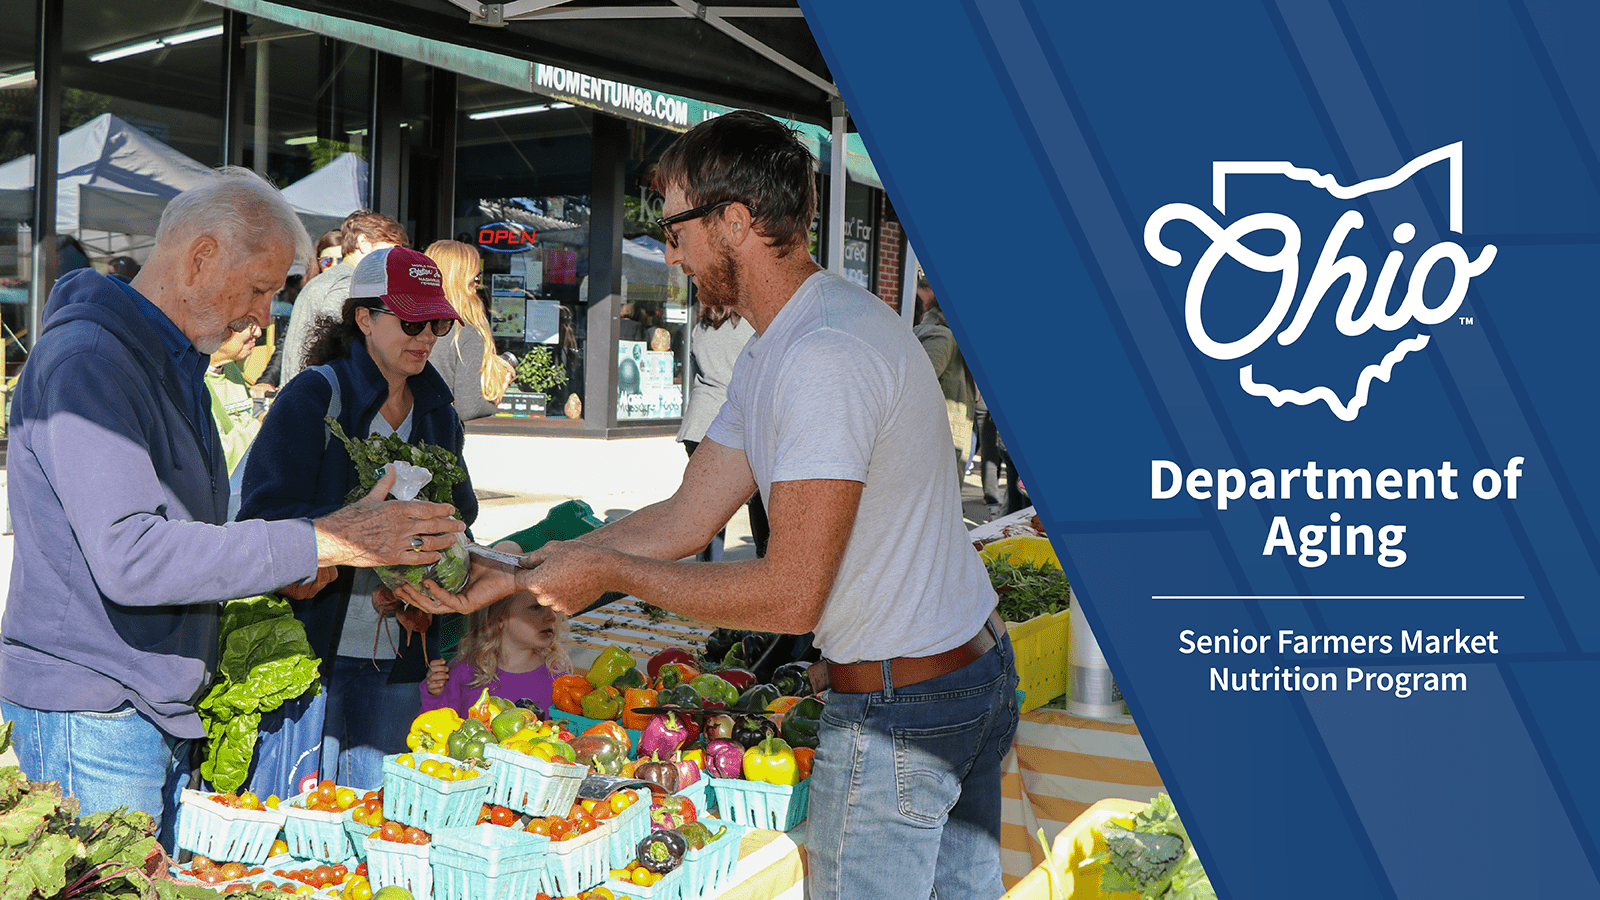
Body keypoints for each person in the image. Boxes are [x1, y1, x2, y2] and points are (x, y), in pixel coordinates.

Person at [405, 111, 1019, 900]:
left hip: (906, 709)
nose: (672, 255)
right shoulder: (785, 345)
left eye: (676, 229)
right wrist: (518, 571)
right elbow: (686, 517)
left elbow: (792, 594)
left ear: (736, 221)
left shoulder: (822, 357)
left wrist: (612, 572)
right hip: (953, 676)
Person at [0, 167, 465, 849]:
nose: (263, 315)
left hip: (147, 701)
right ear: (201, 257)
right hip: (96, 707)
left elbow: (194, 537)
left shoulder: (175, 361)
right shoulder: (91, 362)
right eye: (260, 288)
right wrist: (324, 540)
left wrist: (285, 568)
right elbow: (131, 555)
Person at [239, 246, 478, 792]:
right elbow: (263, 518)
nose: (425, 336)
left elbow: (461, 518)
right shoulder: (314, 396)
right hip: (308, 657)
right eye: (411, 320)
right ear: (365, 318)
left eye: (437, 322)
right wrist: (352, 536)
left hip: (399, 660)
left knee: (378, 821)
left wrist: (428, 582)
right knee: (292, 820)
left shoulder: (440, 415)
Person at [419, 542, 572, 717]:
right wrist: (435, 694)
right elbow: (437, 728)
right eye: (536, 608)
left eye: (552, 607)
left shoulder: (557, 675)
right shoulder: (467, 673)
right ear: (499, 617)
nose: (551, 617)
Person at [677, 301, 766, 559]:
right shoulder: (752, 328)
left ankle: (706, 573)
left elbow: (696, 370)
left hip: (697, 424)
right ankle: (764, 560)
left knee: (708, 508)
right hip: (733, 425)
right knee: (758, 501)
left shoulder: (701, 328)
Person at [279, 211, 408, 386]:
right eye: (390, 251)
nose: (393, 260)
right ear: (363, 242)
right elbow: (339, 352)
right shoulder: (347, 285)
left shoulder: (329, 280)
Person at [425, 239, 515, 421]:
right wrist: (495, 400)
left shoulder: (409, 324)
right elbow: (468, 407)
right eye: (476, 278)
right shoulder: (464, 332)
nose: (478, 286)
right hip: (433, 435)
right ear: (463, 281)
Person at [913, 272, 977, 478]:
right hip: (941, 437)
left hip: (950, 435)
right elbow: (917, 385)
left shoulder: (948, 333)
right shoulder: (941, 335)